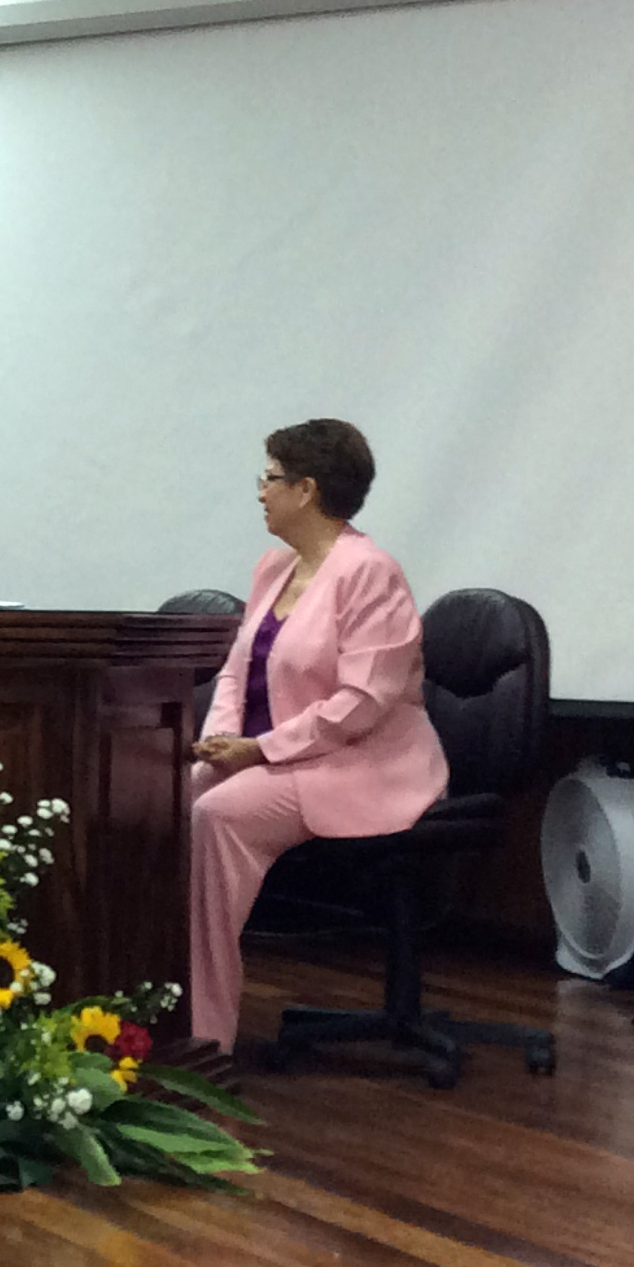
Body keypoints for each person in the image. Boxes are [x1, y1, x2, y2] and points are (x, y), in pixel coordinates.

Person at [187, 418, 447, 1051]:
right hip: (274, 758)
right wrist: (223, 741)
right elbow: (236, 671)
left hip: (359, 764)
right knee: (157, 798)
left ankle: (202, 1038)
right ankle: (144, 1009)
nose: (260, 492)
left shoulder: (371, 572)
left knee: (217, 815)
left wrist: (261, 751)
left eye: (270, 478)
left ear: (306, 490)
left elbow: (362, 702)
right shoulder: (272, 569)